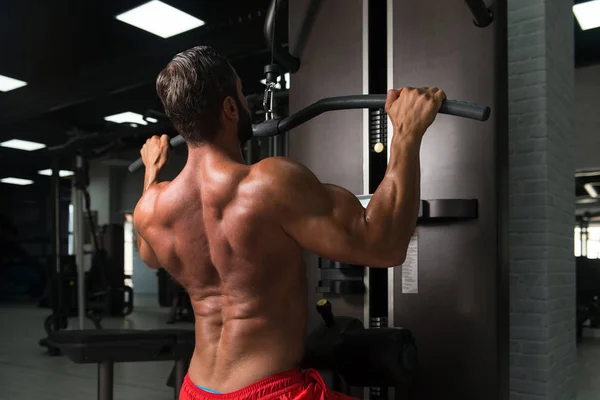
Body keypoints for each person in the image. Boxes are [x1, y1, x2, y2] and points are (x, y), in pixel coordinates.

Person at [134, 45, 446, 400]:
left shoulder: (152, 207)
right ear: (230, 108)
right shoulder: (268, 184)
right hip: (269, 392)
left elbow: (149, 253)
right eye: (240, 90)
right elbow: (385, 244)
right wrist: (406, 134)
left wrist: (151, 173)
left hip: (195, 390)